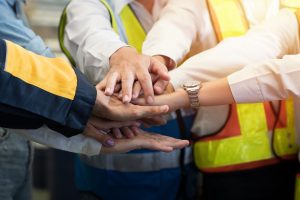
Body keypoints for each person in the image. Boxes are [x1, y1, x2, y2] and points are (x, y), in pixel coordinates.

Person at [135, 7, 300, 200]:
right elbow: (257, 51)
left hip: (285, 151)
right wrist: (163, 77)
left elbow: (282, 74)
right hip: (226, 159)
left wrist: (179, 92)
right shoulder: (293, 16)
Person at [59, 0, 201, 199]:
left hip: (187, 177)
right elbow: (92, 35)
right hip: (115, 183)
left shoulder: (183, 6)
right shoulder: (89, 5)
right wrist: (120, 55)